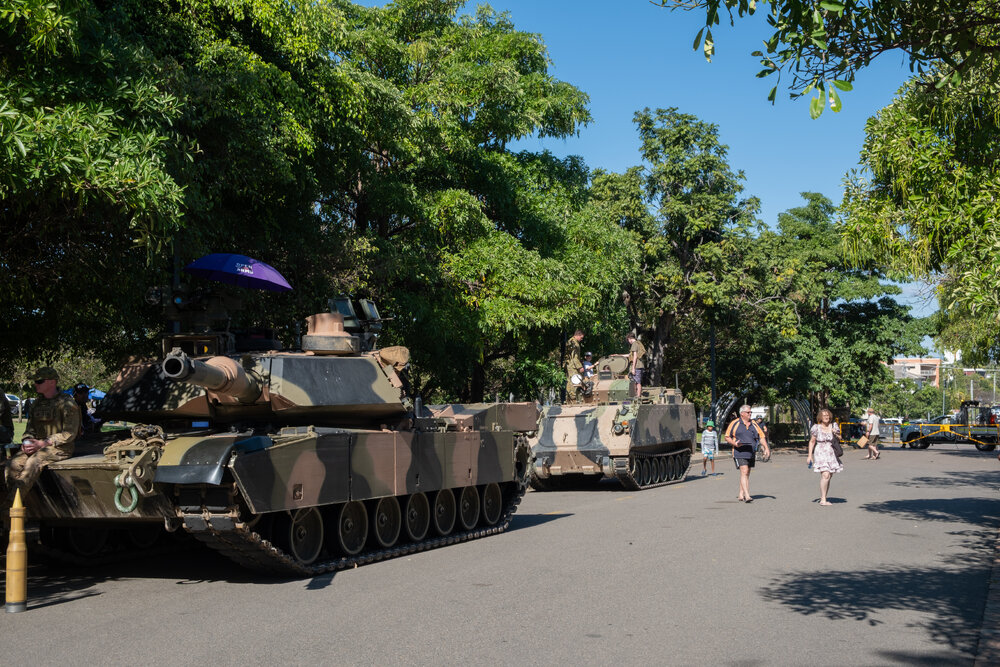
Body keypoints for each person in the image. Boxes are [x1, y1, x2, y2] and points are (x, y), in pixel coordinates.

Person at [3, 367, 79, 500]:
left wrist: (44, 443)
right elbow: (29, 429)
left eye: (39, 381)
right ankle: (23, 507)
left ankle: (10, 508)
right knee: (11, 466)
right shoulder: (37, 403)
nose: (35, 384)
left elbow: (69, 433)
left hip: (60, 447)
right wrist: (27, 441)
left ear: (52, 382)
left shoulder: (67, 403)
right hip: (37, 446)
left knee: (33, 463)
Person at [725, 404, 770, 502]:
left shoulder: (754, 423)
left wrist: (766, 448)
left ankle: (741, 494)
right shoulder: (735, 423)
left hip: (751, 451)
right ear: (742, 413)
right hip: (739, 451)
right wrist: (734, 444)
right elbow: (727, 436)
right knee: (744, 471)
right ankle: (747, 495)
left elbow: (761, 437)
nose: (750, 414)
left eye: (750, 412)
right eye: (748, 412)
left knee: (746, 473)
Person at [807, 408, 843, 506]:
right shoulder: (816, 427)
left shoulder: (834, 426)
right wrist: (809, 455)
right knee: (825, 475)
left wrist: (836, 433)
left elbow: (840, 438)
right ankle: (823, 499)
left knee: (829, 475)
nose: (826, 417)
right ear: (820, 418)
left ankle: (824, 496)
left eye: (827, 415)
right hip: (820, 451)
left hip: (831, 452)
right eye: (824, 416)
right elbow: (812, 441)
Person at [564, 330, 585, 400]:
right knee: (574, 381)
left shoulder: (572, 341)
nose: (581, 339)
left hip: (571, 365)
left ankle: (570, 398)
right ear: (578, 335)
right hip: (572, 366)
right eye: (581, 338)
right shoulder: (574, 343)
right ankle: (573, 398)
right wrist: (580, 367)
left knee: (570, 381)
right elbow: (574, 357)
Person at [626, 332, 646, 398]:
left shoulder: (634, 344)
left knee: (637, 381)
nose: (629, 342)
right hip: (639, 366)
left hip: (637, 366)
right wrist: (618, 355)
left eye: (628, 340)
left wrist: (633, 368)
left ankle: (637, 395)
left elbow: (635, 356)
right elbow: (630, 355)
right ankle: (637, 395)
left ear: (630, 338)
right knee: (636, 381)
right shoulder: (638, 343)